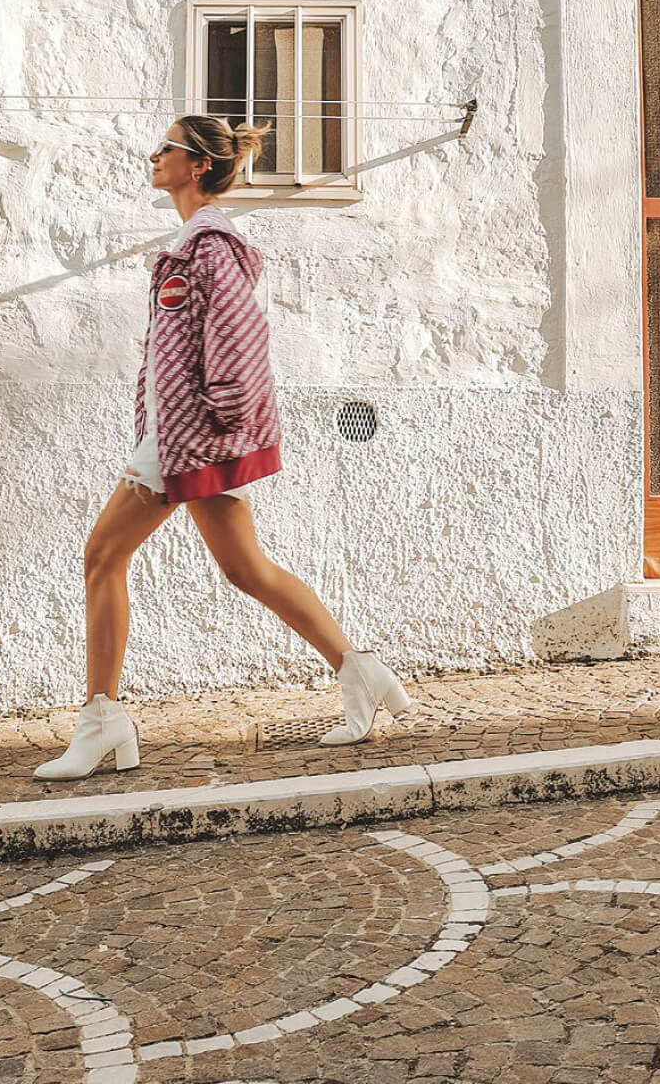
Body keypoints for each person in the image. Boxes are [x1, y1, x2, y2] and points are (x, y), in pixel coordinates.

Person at [34, 115, 411, 779]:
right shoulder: (190, 245)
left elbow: (239, 341)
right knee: (245, 569)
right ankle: (360, 671)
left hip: (188, 436)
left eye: (167, 148)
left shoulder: (211, 247)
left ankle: (102, 722)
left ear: (198, 165)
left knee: (102, 556)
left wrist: (218, 424)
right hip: (182, 435)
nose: (153, 155)